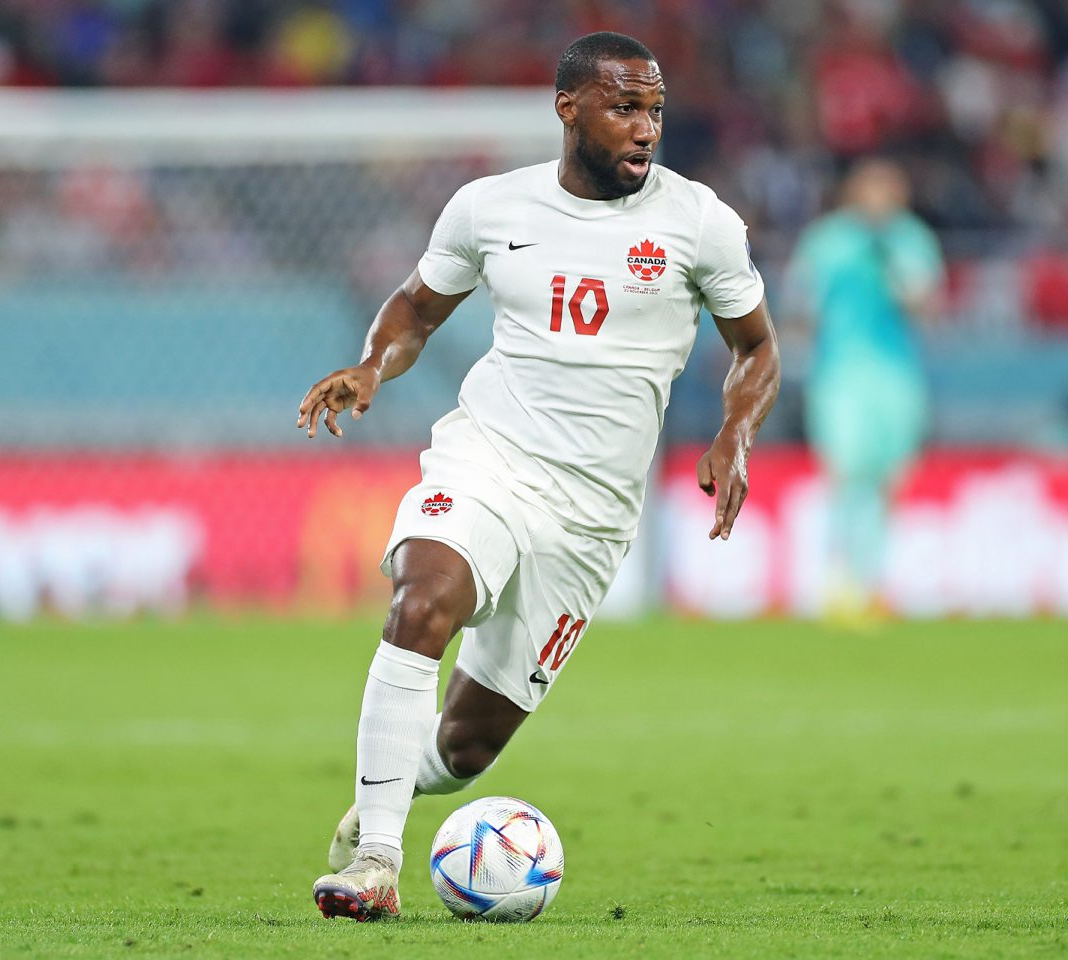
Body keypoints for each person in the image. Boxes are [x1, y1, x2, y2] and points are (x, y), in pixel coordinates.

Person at [295, 31, 780, 921]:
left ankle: (383, 795)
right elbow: (416, 307)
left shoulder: (700, 221)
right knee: (423, 600)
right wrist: (372, 364)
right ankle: (375, 859)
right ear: (570, 108)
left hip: (592, 516)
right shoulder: (488, 208)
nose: (645, 130)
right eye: (625, 108)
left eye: (655, 112)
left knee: (470, 745)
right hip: (489, 458)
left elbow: (756, 348)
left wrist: (734, 432)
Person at [787, 159, 942, 621]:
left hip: (896, 375)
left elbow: (927, 307)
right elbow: (800, 305)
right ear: (855, 193)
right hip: (841, 374)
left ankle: (872, 581)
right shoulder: (827, 242)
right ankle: (838, 580)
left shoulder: (911, 240)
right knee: (848, 471)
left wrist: (894, 271)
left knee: (889, 478)